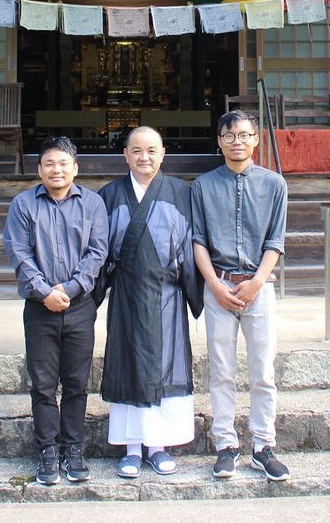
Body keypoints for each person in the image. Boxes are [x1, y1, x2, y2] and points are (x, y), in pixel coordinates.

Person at [96, 126, 203, 478]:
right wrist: (90, 296)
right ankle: (130, 449)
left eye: (152, 150)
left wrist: (197, 293)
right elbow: (98, 249)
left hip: (166, 296)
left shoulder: (180, 193)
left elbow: (190, 246)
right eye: (137, 150)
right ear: (125, 155)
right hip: (126, 295)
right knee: (127, 365)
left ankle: (158, 447)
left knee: (166, 365)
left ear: (163, 154)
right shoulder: (110, 195)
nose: (145, 157)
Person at [1, 136, 108, 486]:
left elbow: (98, 252)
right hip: (39, 308)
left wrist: (71, 288)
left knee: (76, 383)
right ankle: (47, 450)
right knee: (44, 385)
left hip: (80, 307)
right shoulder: (23, 204)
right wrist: (45, 292)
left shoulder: (92, 203)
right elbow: (19, 253)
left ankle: (73, 449)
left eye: (63, 164)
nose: (56, 170)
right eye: (49, 164)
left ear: (75, 168)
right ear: (39, 170)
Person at [191, 109, 290, 482]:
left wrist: (257, 282)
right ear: (219, 141)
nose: (237, 141)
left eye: (244, 135)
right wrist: (215, 285)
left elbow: (275, 240)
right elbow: (198, 240)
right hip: (217, 286)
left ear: (256, 139)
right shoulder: (202, 186)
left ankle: (263, 447)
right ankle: (226, 446)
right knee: (221, 372)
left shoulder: (275, 184)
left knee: (263, 371)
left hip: (258, 288)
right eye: (229, 135)